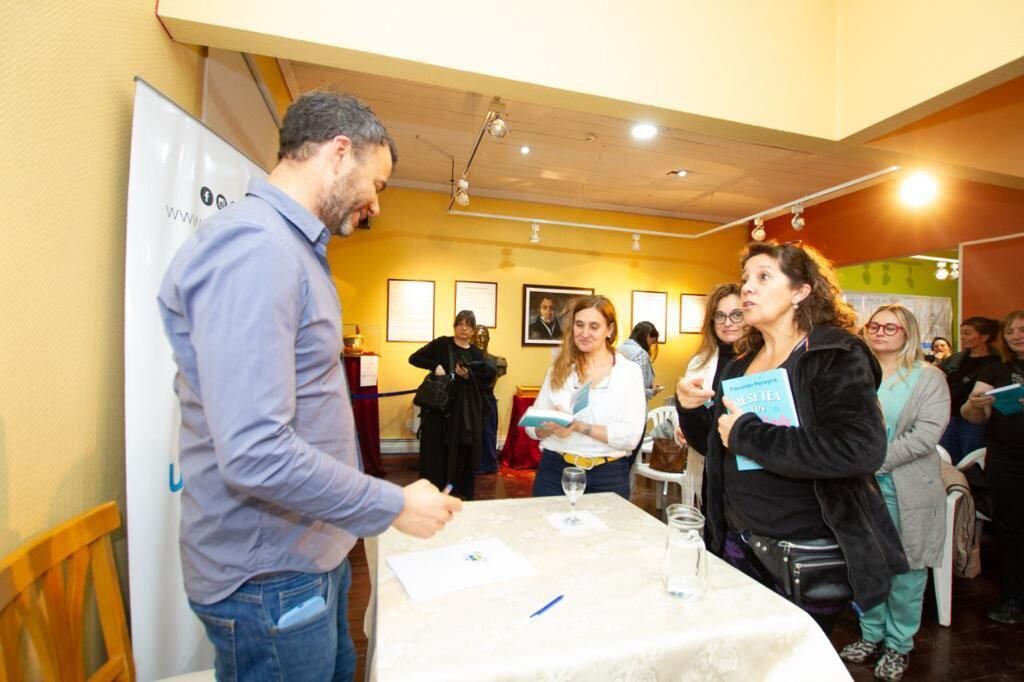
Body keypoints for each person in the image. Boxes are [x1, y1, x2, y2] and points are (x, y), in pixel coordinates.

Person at [158, 91, 461, 681]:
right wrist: (392, 504)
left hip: (307, 557)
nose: (376, 203)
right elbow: (255, 452)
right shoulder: (257, 249)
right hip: (270, 579)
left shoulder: (292, 248)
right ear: (339, 152)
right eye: (377, 183)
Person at [675, 241, 908, 634]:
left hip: (802, 552)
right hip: (739, 542)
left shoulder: (834, 354)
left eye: (763, 277)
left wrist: (750, 434)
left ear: (801, 291)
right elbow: (713, 446)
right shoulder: (740, 365)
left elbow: (860, 449)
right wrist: (688, 407)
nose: (747, 287)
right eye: (745, 278)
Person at [839, 304, 949, 681]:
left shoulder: (928, 378)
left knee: (906, 572)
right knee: (866, 566)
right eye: (875, 325)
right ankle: (871, 635)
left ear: (909, 334)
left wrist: (872, 461)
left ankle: (899, 645)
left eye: (892, 327)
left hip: (906, 490)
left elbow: (925, 436)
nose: (881, 332)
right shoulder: (856, 374)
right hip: (858, 488)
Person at [528, 295, 646, 499]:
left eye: (594, 326)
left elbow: (631, 436)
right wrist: (547, 427)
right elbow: (532, 428)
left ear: (609, 330)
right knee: (548, 530)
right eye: (579, 325)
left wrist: (580, 427)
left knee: (604, 532)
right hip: (555, 471)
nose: (584, 333)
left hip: (608, 475)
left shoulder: (629, 372)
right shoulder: (559, 369)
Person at [961, 309, 1024, 625]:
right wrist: (976, 405)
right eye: (1010, 330)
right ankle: (1012, 598)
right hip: (1006, 459)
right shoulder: (996, 370)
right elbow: (973, 415)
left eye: (1022, 329)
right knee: (1010, 528)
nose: (1016, 335)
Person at [410, 310, 496, 500]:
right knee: (435, 455)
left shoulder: (475, 353)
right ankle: (431, 494)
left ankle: (454, 494)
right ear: (454, 325)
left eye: (468, 325)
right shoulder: (442, 344)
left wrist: (467, 376)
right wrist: (435, 366)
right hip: (437, 412)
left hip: (461, 416)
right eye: (460, 323)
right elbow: (414, 358)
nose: (463, 328)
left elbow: (486, 381)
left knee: (459, 456)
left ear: (473, 330)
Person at [675, 283, 743, 510]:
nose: (728, 322)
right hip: (706, 463)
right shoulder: (700, 361)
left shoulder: (760, 361)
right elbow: (687, 407)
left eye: (736, 314)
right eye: (720, 316)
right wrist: (680, 425)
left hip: (743, 467)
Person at [939, 317, 1000, 463]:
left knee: (972, 462)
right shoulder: (954, 359)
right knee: (946, 461)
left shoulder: (997, 363)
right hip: (948, 418)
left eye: (967, 333)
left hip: (975, 422)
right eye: (961, 333)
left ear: (984, 337)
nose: (962, 337)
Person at [473, 324, 507, 474]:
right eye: (478, 336)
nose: (481, 339)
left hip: (488, 402)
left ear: (489, 339)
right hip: (471, 401)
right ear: (472, 338)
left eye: (484, 336)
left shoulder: (498, 361)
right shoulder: (465, 360)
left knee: (488, 434)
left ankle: (488, 464)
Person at [618, 321, 662, 400]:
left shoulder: (619, 349)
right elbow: (637, 388)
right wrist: (652, 391)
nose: (650, 346)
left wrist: (649, 386)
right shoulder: (641, 354)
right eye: (652, 342)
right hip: (634, 404)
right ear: (647, 336)